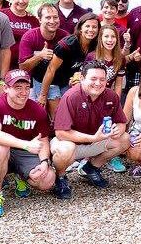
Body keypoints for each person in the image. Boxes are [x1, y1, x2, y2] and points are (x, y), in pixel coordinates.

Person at [50, 62, 131, 199]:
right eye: (93, 79)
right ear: (82, 79)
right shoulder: (71, 96)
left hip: (96, 141)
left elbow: (121, 122)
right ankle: (61, 177)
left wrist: (119, 129)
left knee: (125, 139)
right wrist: (93, 138)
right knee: (65, 150)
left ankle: (91, 168)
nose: (98, 83)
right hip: (71, 143)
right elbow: (61, 133)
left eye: (102, 79)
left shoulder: (111, 96)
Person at [0, 70, 56, 217]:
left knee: (47, 180)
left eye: (27, 88)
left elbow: (43, 139)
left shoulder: (37, 109)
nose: (24, 92)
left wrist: (44, 162)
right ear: (6, 88)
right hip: (3, 149)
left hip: (25, 153)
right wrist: (25, 144)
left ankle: (20, 175)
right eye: (18, 88)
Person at [38, 13, 100, 117]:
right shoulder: (67, 45)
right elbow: (51, 69)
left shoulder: (95, 45)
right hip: (48, 78)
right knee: (58, 115)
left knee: (70, 112)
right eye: (87, 26)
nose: (91, 29)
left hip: (65, 80)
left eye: (94, 27)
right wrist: (43, 95)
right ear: (80, 28)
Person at [18, 3, 70, 87]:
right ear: (39, 19)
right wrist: (40, 56)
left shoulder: (65, 37)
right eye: (48, 17)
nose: (52, 21)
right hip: (34, 82)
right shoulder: (29, 36)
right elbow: (23, 68)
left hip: (61, 81)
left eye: (55, 17)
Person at [0, 0, 40, 70]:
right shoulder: (0, 15)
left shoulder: (33, 20)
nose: (21, 1)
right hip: (2, 66)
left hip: (26, 67)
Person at [95, 24, 128, 94]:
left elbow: (118, 85)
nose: (110, 40)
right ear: (100, 38)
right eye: (106, 36)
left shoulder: (121, 59)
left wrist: (116, 100)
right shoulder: (92, 56)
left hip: (107, 95)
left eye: (113, 36)